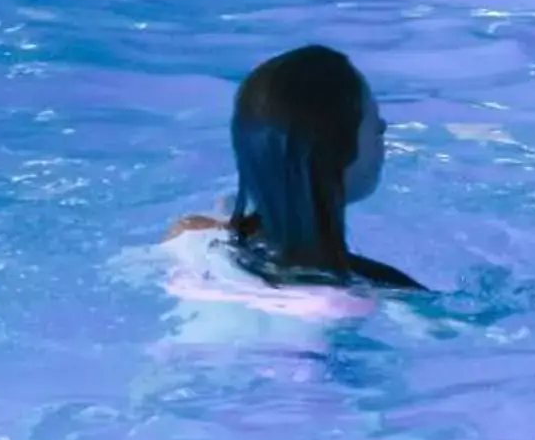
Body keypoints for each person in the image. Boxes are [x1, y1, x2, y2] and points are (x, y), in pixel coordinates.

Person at [171, 46, 421, 292]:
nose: (383, 127)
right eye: (374, 123)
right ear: (338, 154)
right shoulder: (372, 290)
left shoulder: (192, 234)